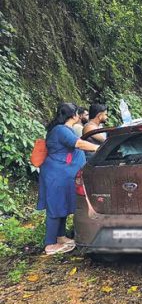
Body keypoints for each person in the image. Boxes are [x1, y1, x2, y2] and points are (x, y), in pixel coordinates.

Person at [37, 103, 100, 255]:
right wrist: (99, 148)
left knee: (62, 205)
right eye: (78, 113)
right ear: (73, 115)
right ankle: (50, 244)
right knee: (56, 207)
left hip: (63, 175)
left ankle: (60, 236)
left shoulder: (63, 129)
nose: (80, 116)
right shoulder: (61, 130)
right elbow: (78, 144)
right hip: (56, 175)